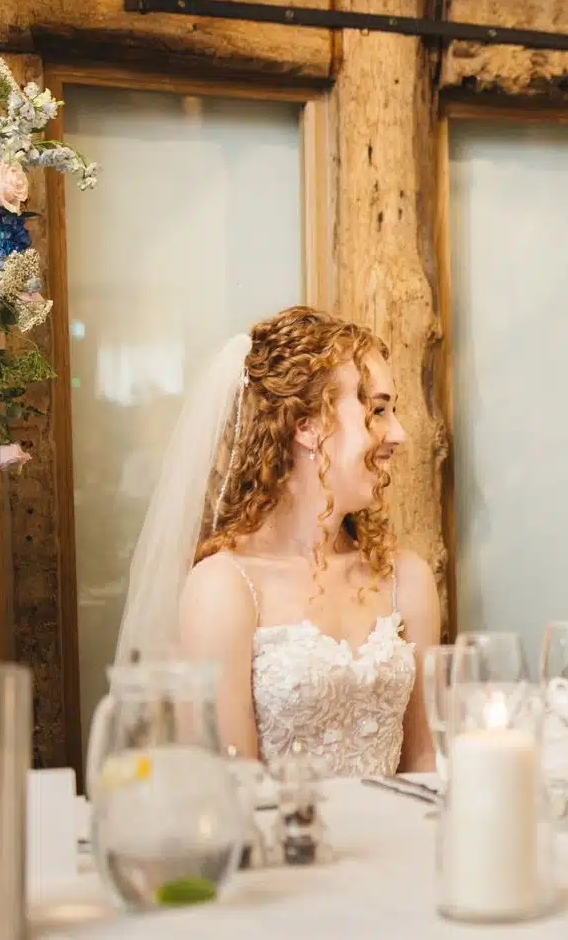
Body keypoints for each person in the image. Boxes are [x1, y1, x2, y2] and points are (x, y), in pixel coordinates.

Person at [119, 307, 439, 776]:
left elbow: (424, 764)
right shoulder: (224, 588)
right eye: (377, 410)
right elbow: (233, 789)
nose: (399, 433)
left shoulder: (406, 578)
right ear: (306, 425)